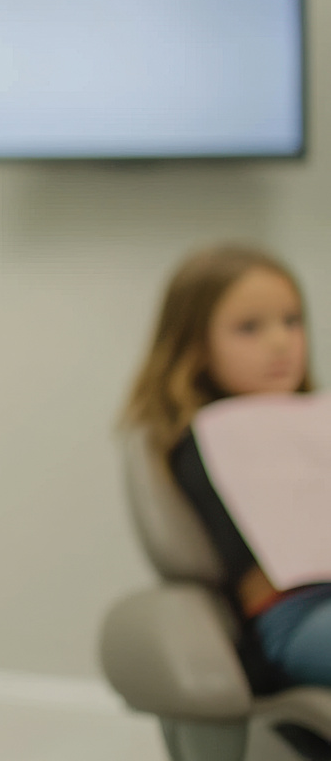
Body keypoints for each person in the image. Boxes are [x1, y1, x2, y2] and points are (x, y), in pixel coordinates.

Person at [124, 243, 327, 690]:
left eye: (292, 322)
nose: (280, 342)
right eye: (249, 328)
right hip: (297, 615)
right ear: (195, 346)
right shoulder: (200, 443)